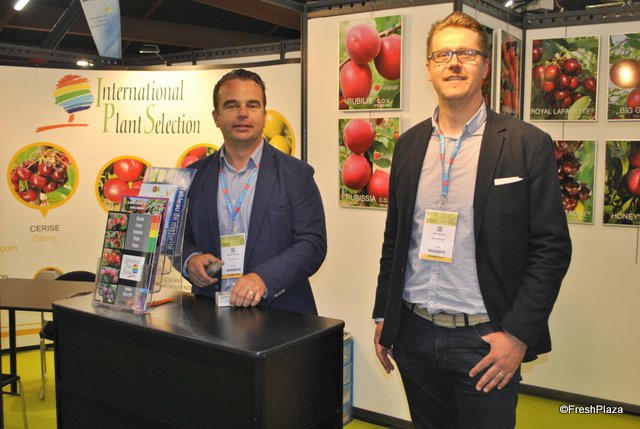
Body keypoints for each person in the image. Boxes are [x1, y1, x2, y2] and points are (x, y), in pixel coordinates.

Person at [372, 12, 571, 429]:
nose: (454, 63)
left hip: (485, 341)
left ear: (485, 66)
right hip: (414, 333)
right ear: (428, 68)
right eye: (442, 55)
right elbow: (395, 240)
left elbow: (551, 249)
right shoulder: (408, 146)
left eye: (466, 53)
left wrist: (517, 335)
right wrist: (384, 315)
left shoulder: (526, 144)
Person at [182, 69, 327, 314]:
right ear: (216, 117)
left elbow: (312, 244)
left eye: (252, 105)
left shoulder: (296, 175)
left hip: (280, 318)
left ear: (264, 115)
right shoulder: (193, 176)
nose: (242, 113)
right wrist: (189, 260)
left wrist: (264, 278)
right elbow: (177, 238)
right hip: (208, 315)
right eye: (231, 105)